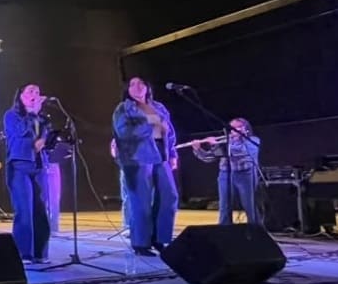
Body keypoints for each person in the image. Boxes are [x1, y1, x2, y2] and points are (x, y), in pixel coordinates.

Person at [112, 77, 180, 256]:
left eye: (141, 83)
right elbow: (123, 132)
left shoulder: (159, 107)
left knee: (169, 196)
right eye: (132, 84)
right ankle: (140, 243)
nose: (137, 87)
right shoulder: (124, 108)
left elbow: (169, 132)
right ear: (128, 90)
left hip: (160, 154)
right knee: (141, 201)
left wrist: (173, 154)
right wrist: (150, 124)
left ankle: (160, 238)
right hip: (137, 157)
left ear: (147, 87)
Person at [3, 84, 52, 264]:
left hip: (39, 166)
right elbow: (19, 131)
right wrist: (32, 113)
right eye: (30, 91)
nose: (35, 94)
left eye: (37, 92)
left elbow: (47, 138)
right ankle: (24, 253)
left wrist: (45, 140)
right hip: (19, 165)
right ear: (21, 96)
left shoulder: (43, 118)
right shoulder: (11, 115)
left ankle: (40, 253)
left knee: (40, 210)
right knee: (24, 210)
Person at [192, 118, 261, 226]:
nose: (234, 130)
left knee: (249, 205)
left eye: (238, 127)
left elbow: (239, 152)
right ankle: (224, 230)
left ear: (246, 128)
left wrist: (215, 145)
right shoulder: (226, 141)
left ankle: (255, 230)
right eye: (232, 128)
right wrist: (198, 149)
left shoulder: (253, 140)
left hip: (246, 175)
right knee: (224, 205)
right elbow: (209, 157)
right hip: (225, 174)